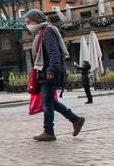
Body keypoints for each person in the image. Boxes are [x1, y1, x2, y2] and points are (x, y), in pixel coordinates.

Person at [24, 9, 85, 141]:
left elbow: (54, 53)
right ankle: (76, 120)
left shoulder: (47, 31)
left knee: (46, 102)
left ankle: (49, 131)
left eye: (29, 22)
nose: (28, 25)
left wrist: (51, 71)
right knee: (49, 101)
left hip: (49, 72)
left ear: (36, 19)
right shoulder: (40, 32)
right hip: (44, 71)